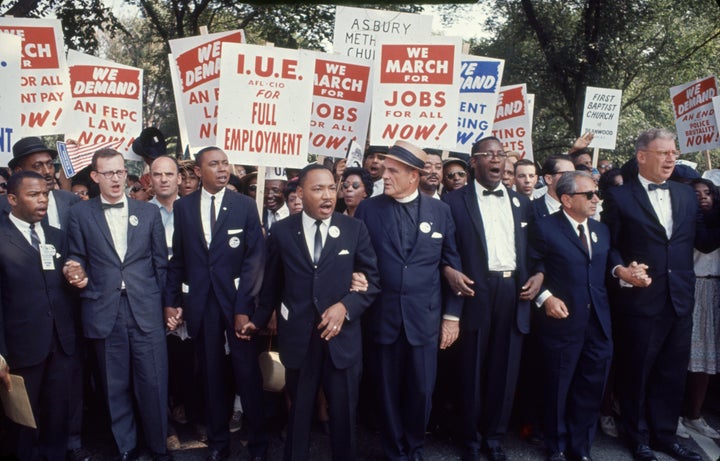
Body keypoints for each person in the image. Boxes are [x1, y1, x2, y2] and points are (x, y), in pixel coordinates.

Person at [244, 164, 380, 461]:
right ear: (300, 193)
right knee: (299, 412)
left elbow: (372, 282)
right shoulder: (281, 232)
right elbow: (271, 285)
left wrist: (345, 307)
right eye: (318, 189)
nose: (328, 195)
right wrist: (257, 319)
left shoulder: (354, 229)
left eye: (332, 187)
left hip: (341, 339)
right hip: (299, 339)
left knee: (343, 415)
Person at [355, 140, 463, 461]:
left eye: (392, 171)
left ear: (414, 175)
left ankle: (415, 448)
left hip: (424, 320)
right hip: (382, 318)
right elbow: (358, 257)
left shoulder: (441, 212)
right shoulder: (368, 209)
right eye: (384, 169)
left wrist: (452, 316)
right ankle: (394, 452)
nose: (383, 176)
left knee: (422, 392)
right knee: (386, 392)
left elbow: (452, 265)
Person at [601, 128, 703, 461]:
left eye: (674, 153)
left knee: (672, 373)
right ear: (642, 156)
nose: (672, 158)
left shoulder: (686, 196)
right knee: (637, 372)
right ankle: (637, 436)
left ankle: (664, 435)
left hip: (680, 298)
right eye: (664, 153)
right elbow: (609, 246)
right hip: (640, 301)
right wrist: (621, 271)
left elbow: (699, 240)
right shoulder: (619, 197)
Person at [163, 146, 268, 461]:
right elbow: (179, 260)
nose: (222, 169)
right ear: (198, 171)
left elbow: (255, 259)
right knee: (210, 376)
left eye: (225, 164)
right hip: (202, 306)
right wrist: (171, 301)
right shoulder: (183, 208)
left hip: (238, 305)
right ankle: (219, 443)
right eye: (214, 164)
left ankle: (258, 444)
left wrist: (243, 307)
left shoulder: (245, 206)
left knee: (246, 375)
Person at [442, 136, 542, 461]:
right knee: (470, 369)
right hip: (474, 290)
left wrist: (539, 276)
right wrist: (448, 270)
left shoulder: (522, 203)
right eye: (489, 155)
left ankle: (495, 438)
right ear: (474, 161)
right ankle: (469, 439)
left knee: (506, 367)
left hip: (514, 291)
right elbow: (445, 249)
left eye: (501, 154)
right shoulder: (453, 202)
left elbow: (538, 250)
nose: (497, 160)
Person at [66, 148, 170, 461]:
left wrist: (165, 305)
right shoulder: (80, 215)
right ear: (95, 177)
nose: (115, 178)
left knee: (153, 383)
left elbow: (160, 264)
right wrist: (73, 268)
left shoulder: (148, 213)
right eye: (108, 173)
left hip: (145, 310)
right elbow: (76, 255)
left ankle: (158, 446)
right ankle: (126, 447)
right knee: (114, 386)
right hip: (104, 310)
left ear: (127, 174)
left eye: (120, 171)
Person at [529, 171, 622, 461]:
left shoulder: (600, 230)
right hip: (562, 322)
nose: (597, 199)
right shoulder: (543, 228)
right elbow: (531, 267)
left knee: (591, 387)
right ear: (567, 199)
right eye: (589, 195)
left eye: (597, 194)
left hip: (598, 324)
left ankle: (580, 448)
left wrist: (623, 271)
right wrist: (545, 298)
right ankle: (556, 446)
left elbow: (607, 260)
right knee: (558, 387)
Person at [0, 172, 81, 461]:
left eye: (45, 193)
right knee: (23, 424)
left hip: (60, 344)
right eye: (33, 195)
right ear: (12, 199)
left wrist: (78, 279)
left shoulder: (57, 236)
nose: (42, 199)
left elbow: (65, 289)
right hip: (21, 347)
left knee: (57, 417)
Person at [680, 178, 720, 438]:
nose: (703, 197)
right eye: (696, 193)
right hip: (693, 288)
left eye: (708, 193)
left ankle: (694, 414)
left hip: (714, 290)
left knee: (706, 360)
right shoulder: (688, 221)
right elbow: (705, 243)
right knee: (683, 358)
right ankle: (673, 413)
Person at [5, 137, 81, 230]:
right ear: (19, 171)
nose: (47, 171)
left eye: (50, 164)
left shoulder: (72, 200)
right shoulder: (3, 206)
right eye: (38, 166)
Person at [532, 155, 575, 220]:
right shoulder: (531, 209)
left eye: (574, 174)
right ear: (549, 179)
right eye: (567, 174)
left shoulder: (579, 207)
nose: (572, 178)